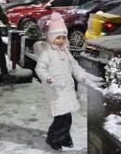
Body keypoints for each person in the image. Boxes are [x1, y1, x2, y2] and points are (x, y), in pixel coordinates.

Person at [34, 12, 90, 151]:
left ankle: (63, 138)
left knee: (66, 117)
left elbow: (74, 66)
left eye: (63, 38)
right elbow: (39, 68)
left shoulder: (65, 51)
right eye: (58, 38)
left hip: (66, 89)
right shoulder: (47, 52)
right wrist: (50, 79)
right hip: (55, 91)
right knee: (62, 118)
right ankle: (53, 139)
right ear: (51, 38)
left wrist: (82, 77)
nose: (61, 41)